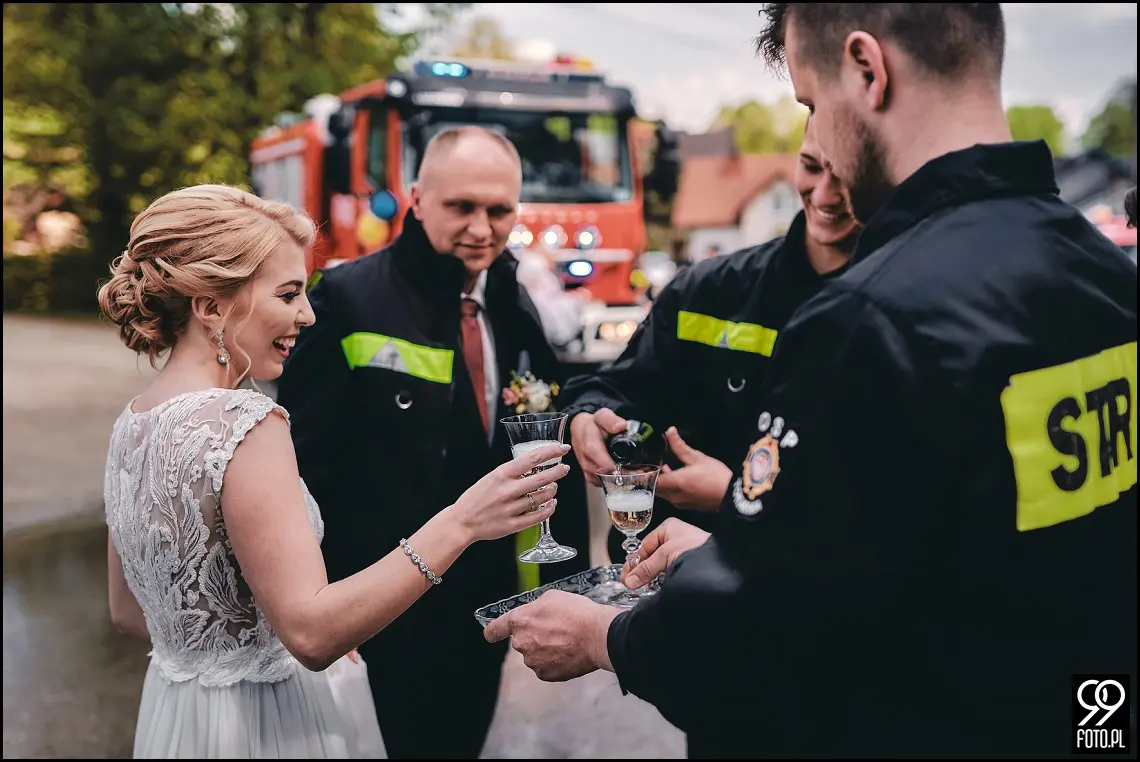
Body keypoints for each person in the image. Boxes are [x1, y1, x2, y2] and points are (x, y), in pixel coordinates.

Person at [484, 4, 1138, 758]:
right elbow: (956, 544)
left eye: (811, 104)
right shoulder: (1100, 273)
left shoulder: (872, 313)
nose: (817, 142)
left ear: (868, 69)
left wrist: (607, 635)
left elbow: (768, 635)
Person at [98, 183, 569, 759]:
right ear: (212, 305)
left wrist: (226, 652)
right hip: (267, 725)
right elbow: (313, 635)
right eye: (290, 293)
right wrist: (464, 522)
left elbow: (128, 611)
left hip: (180, 716)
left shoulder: (136, 421)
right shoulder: (248, 425)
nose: (307, 314)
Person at [274, 125, 582, 760]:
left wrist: (566, 585)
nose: (481, 227)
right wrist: (322, 603)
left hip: (485, 604)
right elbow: (300, 471)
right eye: (461, 206)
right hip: (380, 606)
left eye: (499, 210)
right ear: (417, 197)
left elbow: (548, 442)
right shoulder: (348, 299)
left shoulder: (516, 306)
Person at [561, 118, 861, 567]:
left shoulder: (897, 305)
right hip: (673, 590)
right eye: (811, 167)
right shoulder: (706, 290)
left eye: (846, 177)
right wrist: (586, 417)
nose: (823, 194)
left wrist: (731, 496)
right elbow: (621, 387)